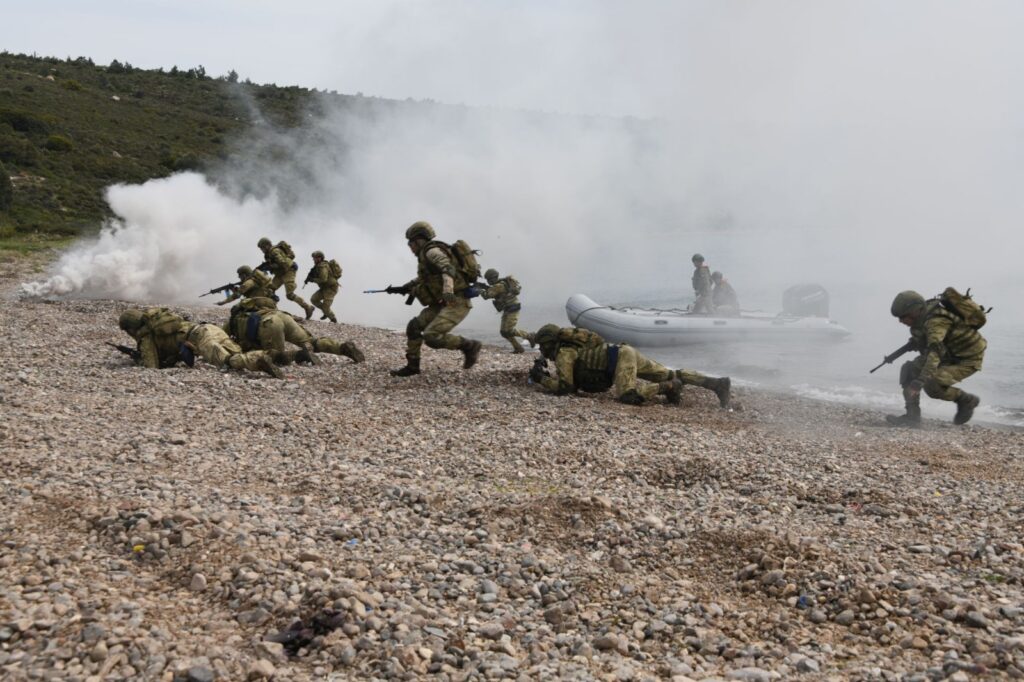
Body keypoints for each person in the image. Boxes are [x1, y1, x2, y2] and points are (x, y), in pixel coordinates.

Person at [529, 324, 731, 407]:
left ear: (549, 343)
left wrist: (542, 380)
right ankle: (717, 384)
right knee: (669, 372)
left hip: (620, 360)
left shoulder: (564, 353)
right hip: (623, 351)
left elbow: (566, 387)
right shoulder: (571, 348)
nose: (542, 351)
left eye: (542, 346)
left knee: (628, 396)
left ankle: (670, 387)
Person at [388, 221, 482, 377]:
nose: (410, 248)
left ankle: (470, 346)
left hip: (456, 301)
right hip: (443, 302)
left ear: (419, 240)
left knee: (432, 337)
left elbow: (448, 269)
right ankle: (412, 366)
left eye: (410, 243)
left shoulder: (432, 252)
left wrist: (447, 290)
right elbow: (425, 278)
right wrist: (405, 287)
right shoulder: (426, 255)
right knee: (414, 327)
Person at [886, 290, 986, 427]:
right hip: (947, 354)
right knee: (909, 370)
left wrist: (920, 380)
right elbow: (928, 342)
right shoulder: (922, 318)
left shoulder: (936, 323)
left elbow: (935, 353)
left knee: (932, 384)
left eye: (904, 316)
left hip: (967, 358)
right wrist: (915, 342)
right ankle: (912, 417)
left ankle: (966, 400)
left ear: (916, 311)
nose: (901, 321)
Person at [117, 307, 282, 378]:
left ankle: (259, 361)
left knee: (228, 361)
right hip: (210, 328)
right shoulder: (160, 321)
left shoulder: (147, 337)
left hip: (200, 338)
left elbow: (151, 367)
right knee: (238, 354)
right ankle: (284, 356)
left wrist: (138, 359)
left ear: (131, 328)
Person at [225, 306, 365, 365]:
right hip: (282, 316)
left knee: (276, 356)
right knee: (311, 341)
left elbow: (221, 337)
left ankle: (299, 355)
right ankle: (342, 347)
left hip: (270, 323)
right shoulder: (257, 308)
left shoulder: (233, 321)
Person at [257, 237, 316, 320]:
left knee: (290, 295)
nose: (261, 250)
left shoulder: (274, 252)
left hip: (288, 271)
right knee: (269, 290)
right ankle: (272, 311)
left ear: (266, 246)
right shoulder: (269, 254)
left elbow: (283, 263)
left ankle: (308, 307)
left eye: (262, 248)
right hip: (280, 273)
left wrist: (271, 266)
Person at [479, 268, 529, 353]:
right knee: (503, 332)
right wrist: (485, 287)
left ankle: (529, 336)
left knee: (509, 331)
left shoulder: (498, 286)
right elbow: (494, 291)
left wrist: (479, 290)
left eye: (489, 280)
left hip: (513, 308)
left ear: (493, 278)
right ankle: (518, 348)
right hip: (508, 309)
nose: (488, 282)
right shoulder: (500, 284)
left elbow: (486, 296)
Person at [306, 251, 340, 323]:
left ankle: (333, 320)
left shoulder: (323, 266)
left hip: (331, 288)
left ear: (319, 258)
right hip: (324, 288)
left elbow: (323, 279)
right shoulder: (318, 266)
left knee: (326, 307)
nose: (313, 259)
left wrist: (312, 280)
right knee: (314, 299)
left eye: (314, 258)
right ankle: (326, 312)